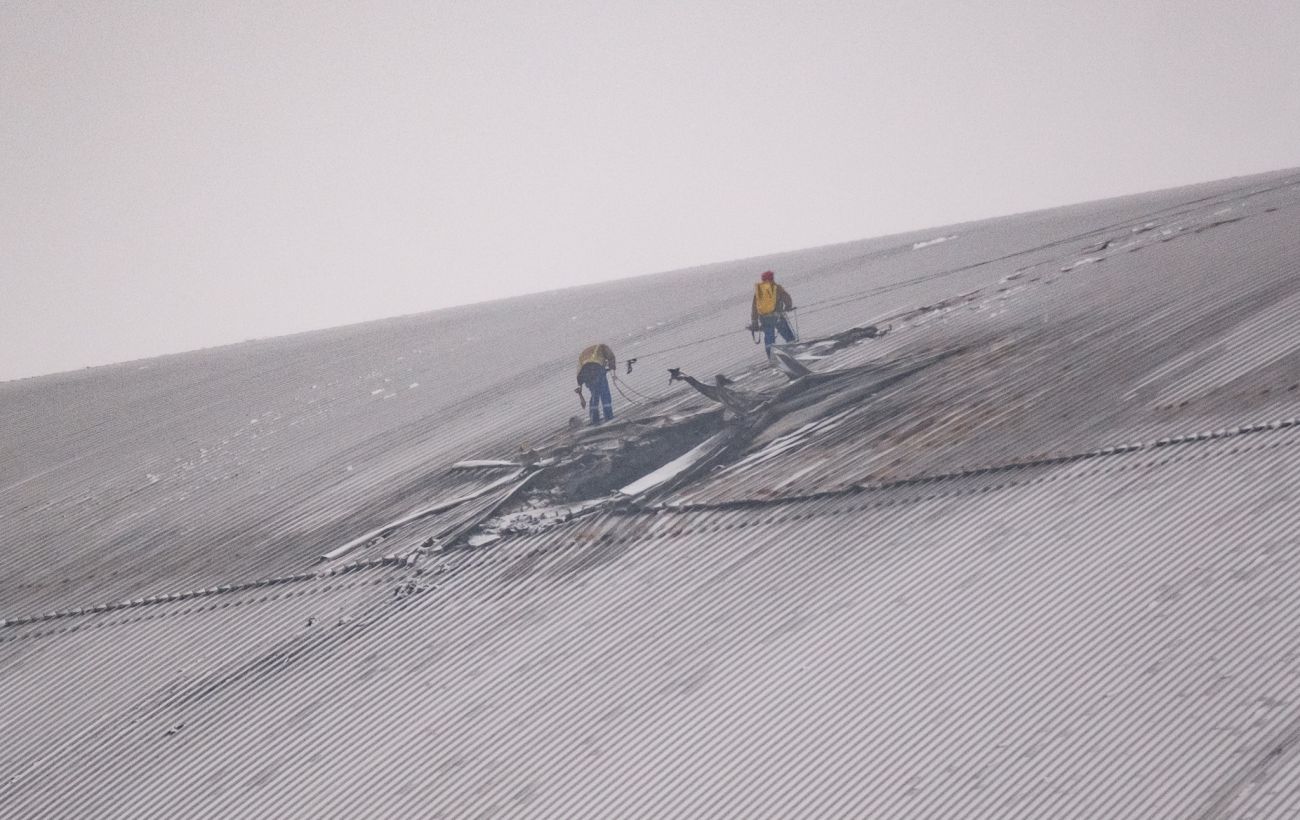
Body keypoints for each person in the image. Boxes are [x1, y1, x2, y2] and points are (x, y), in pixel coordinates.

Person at [749, 270, 795, 355]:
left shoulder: (759, 291)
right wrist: (788, 307)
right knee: (788, 336)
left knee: (769, 340)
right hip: (778, 317)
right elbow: (787, 298)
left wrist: (754, 321)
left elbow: (754, 307)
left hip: (764, 319)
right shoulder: (776, 287)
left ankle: (772, 357)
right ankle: (794, 351)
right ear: (772, 278)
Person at [576, 343, 616, 425]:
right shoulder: (602, 347)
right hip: (596, 369)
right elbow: (611, 357)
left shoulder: (584, 354)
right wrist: (612, 370)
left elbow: (579, 371)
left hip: (585, 374)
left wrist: (580, 386)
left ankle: (594, 419)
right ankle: (609, 416)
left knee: (595, 394)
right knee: (604, 393)